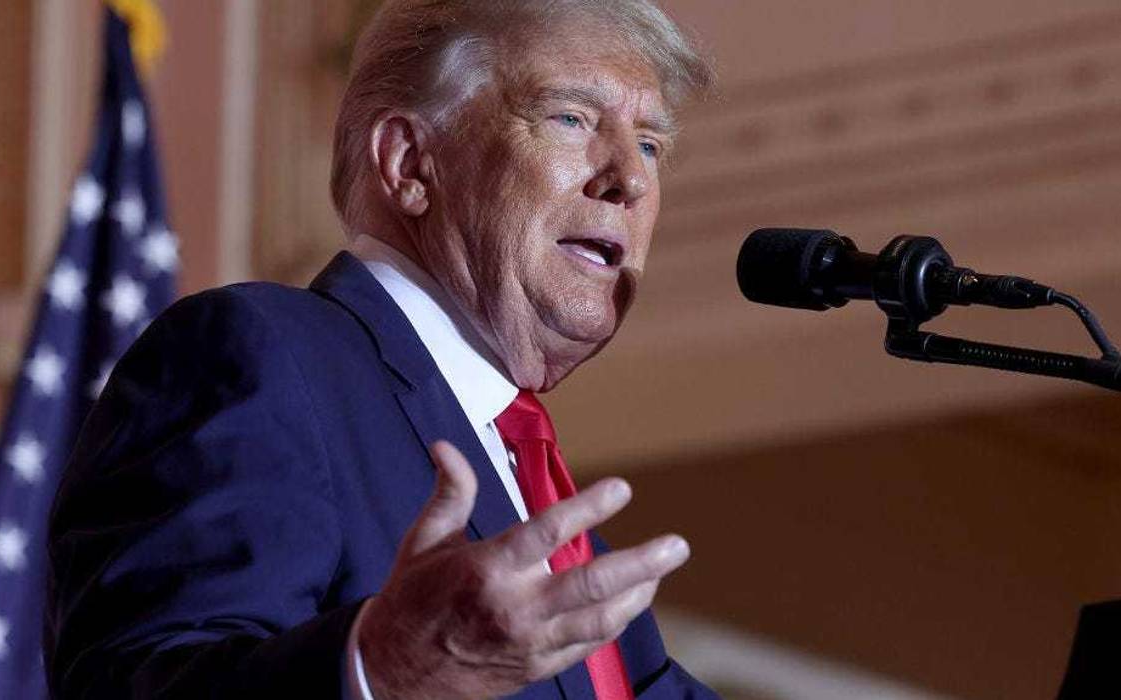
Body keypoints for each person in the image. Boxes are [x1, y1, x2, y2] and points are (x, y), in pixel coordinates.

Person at [45, 1, 717, 697]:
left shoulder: (567, 556)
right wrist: (380, 669)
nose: (630, 180)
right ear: (408, 163)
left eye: (648, 144)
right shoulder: (260, 358)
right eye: (570, 118)